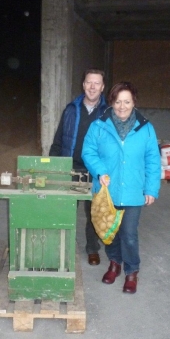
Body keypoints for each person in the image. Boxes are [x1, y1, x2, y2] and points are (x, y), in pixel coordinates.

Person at [82, 81, 161, 294]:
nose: (122, 106)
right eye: (118, 102)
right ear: (112, 102)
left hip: (134, 191)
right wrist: (99, 171)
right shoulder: (99, 125)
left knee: (128, 233)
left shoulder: (146, 128)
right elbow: (88, 152)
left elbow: (153, 159)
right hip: (107, 189)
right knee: (110, 230)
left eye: (127, 101)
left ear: (134, 102)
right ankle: (115, 263)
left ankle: (132, 270)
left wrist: (151, 189)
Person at [49, 69, 109, 266]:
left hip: (95, 171)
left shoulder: (108, 113)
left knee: (94, 211)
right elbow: (59, 138)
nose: (92, 87)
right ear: (83, 85)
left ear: (102, 87)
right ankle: (62, 246)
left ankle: (92, 248)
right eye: (89, 82)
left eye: (97, 83)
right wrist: (53, 164)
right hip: (71, 167)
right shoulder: (71, 109)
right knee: (66, 209)